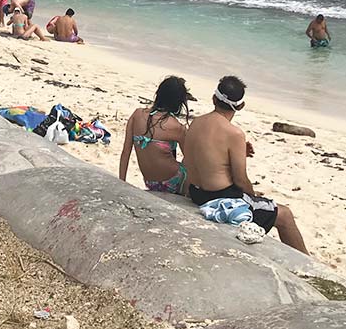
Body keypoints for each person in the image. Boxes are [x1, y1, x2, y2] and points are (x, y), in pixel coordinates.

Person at [182, 76, 308, 254]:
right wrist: (253, 194)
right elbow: (240, 180)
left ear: (214, 98)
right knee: (285, 215)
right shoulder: (234, 133)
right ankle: (310, 267)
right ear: (240, 106)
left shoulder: (196, 123)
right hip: (222, 198)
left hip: (197, 193)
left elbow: (197, 158)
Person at [118, 76, 193, 195]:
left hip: (150, 182)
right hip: (175, 180)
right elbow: (191, 159)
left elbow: (125, 152)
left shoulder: (137, 115)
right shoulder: (177, 127)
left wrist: (121, 182)